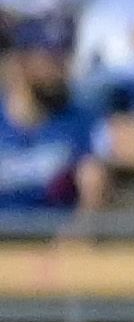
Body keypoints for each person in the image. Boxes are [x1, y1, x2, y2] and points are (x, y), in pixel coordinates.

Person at [0, 12, 108, 211]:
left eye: (63, 58)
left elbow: (94, 188)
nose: (59, 70)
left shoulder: (84, 121)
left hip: (56, 235)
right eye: (49, 59)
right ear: (20, 62)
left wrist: (79, 231)